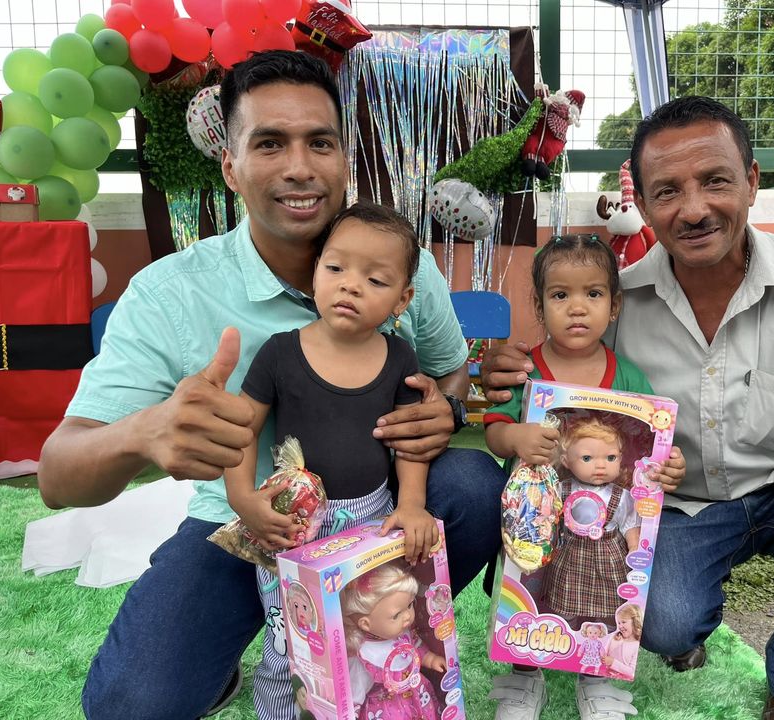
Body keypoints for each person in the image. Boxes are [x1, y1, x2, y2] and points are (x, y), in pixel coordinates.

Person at [37, 49, 506, 720]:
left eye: (321, 142)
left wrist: (447, 407)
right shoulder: (170, 293)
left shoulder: (402, 266)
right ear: (229, 166)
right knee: (130, 705)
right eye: (269, 143)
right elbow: (57, 476)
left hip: (372, 517)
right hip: (248, 525)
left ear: (345, 160)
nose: (299, 167)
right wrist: (144, 432)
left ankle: (371, 632)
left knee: (476, 487)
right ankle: (235, 660)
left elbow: (448, 368)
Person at [480, 95, 774, 720]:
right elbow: (566, 381)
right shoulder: (616, 305)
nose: (694, 209)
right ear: (644, 206)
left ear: (752, 181)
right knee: (660, 620)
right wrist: (514, 369)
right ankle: (688, 631)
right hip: (682, 503)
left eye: (716, 181)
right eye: (667, 191)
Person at [225, 200, 441, 717]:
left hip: (371, 520)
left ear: (402, 299)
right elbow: (241, 428)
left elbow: (410, 443)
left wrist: (411, 505)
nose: (350, 286)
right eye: (336, 268)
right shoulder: (279, 352)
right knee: (289, 646)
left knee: (358, 637)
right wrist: (242, 499)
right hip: (293, 526)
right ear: (314, 275)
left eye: (375, 279)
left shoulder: (400, 358)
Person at [483, 234, 685, 720]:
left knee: (600, 596)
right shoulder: (526, 372)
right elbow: (495, 431)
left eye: (593, 294)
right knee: (526, 589)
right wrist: (515, 438)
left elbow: (649, 446)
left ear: (613, 306)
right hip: (534, 522)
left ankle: (597, 676)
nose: (577, 308)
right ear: (539, 305)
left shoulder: (629, 378)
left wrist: (667, 465)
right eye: (560, 295)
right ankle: (524, 674)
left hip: (605, 534)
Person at [541, 417, 641, 622]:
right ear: (566, 461)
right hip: (571, 553)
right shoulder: (562, 489)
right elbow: (548, 517)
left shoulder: (621, 496)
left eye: (611, 458)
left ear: (621, 459)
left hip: (609, 557)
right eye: (587, 458)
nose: (601, 466)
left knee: (610, 599)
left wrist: (634, 549)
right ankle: (566, 626)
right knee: (566, 595)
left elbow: (629, 524)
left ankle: (606, 629)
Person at [341, 562, 447, 719]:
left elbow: (416, 649)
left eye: (410, 605)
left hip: (417, 696)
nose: (408, 616)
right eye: (396, 615)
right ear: (366, 624)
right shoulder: (363, 655)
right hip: (386, 710)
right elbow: (355, 692)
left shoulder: (403, 633)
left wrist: (431, 660)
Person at [602, 604, 642, 680]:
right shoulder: (614, 637)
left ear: (635, 621)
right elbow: (603, 652)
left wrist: (613, 662)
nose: (620, 626)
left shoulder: (636, 645)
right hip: (604, 674)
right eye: (619, 623)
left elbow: (631, 672)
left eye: (623, 622)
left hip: (619, 680)